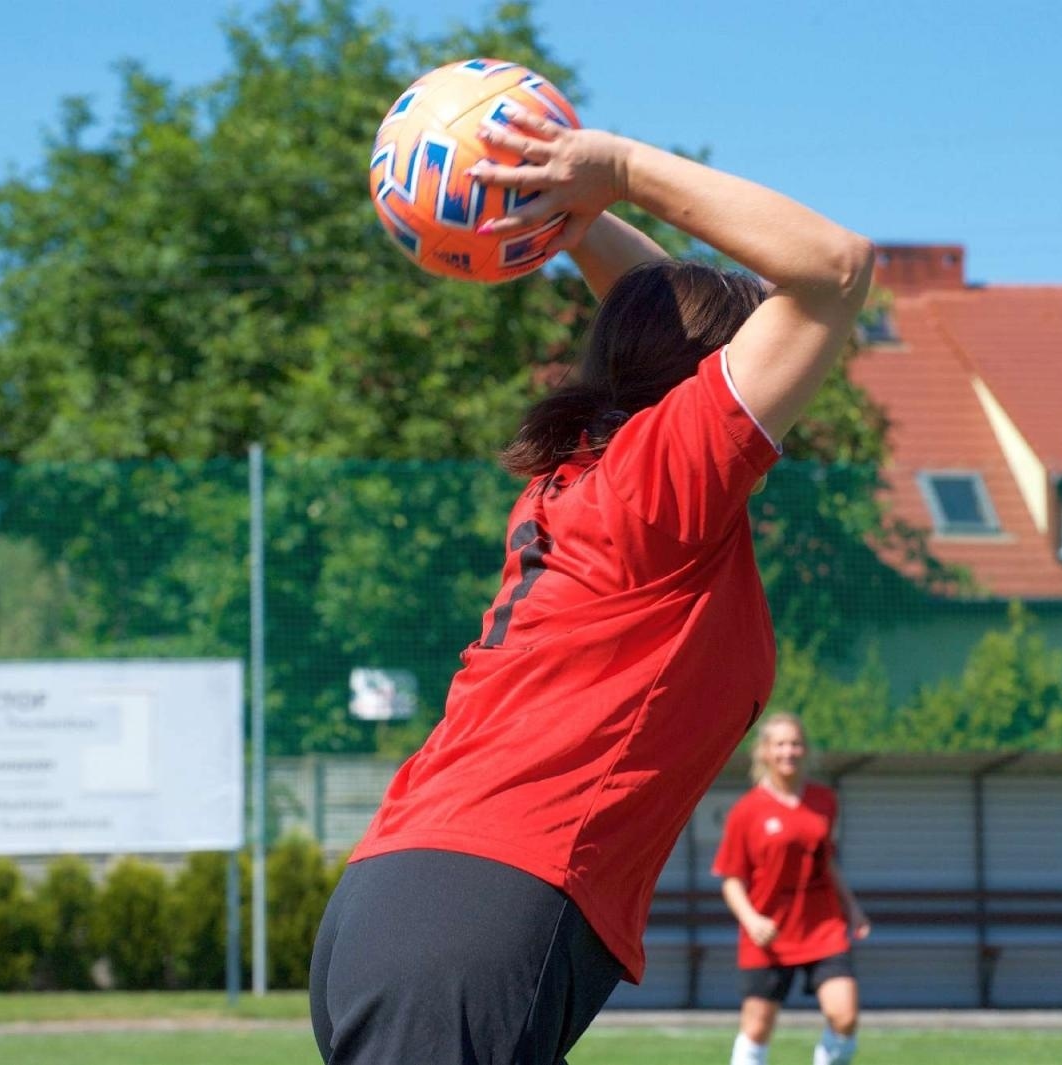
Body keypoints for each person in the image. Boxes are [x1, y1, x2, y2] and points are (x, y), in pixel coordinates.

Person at [308, 107, 874, 1065]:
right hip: (479, 912)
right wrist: (609, 167)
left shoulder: (591, 473)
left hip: (417, 898)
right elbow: (837, 265)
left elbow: (653, 316)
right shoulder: (664, 476)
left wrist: (564, 209)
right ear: (703, 382)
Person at [713, 712, 870, 1065]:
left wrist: (852, 908)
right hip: (769, 932)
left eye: (796, 743)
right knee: (756, 1029)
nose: (789, 751)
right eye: (781, 744)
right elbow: (731, 879)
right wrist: (752, 921)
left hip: (822, 926)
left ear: (806, 750)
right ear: (765, 752)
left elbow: (826, 860)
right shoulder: (746, 811)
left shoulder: (824, 800)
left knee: (845, 1016)